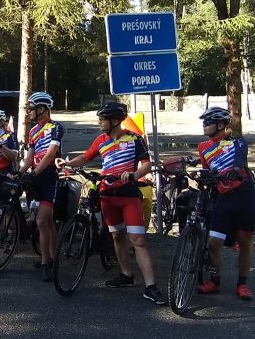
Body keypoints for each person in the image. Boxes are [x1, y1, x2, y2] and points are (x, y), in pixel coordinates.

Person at [57, 102, 167, 305]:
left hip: (128, 196)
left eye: (102, 120)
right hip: (107, 196)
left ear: (115, 121)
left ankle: (150, 286)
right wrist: (68, 163)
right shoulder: (101, 140)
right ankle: (126, 274)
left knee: (138, 240)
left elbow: (147, 165)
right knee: (117, 236)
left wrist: (133, 175)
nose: (99, 123)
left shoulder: (134, 139)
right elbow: (86, 157)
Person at [195, 106, 255, 301]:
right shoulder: (203, 147)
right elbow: (207, 170)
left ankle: (242, 283)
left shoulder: (237, 141)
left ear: (220, 125)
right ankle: (215, 281)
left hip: (245, 195)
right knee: (214, 242)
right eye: (203, 122)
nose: (204, 125)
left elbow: (239, 161)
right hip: (224, 198)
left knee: (245, 242)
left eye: (208, 122)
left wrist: (234, 171)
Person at [18, 92, 63, 281]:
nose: (29, 111)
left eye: (32, 108)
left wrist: (34, 173)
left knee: (42, 221)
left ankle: (45, 263)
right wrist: (20, 172)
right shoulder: (33, 130)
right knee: (48, 222)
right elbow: (29, 157)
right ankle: (53, 257)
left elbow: (50, 155)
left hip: (48, 177)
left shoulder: (56, 127)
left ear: (42, 109)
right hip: (35, 177)